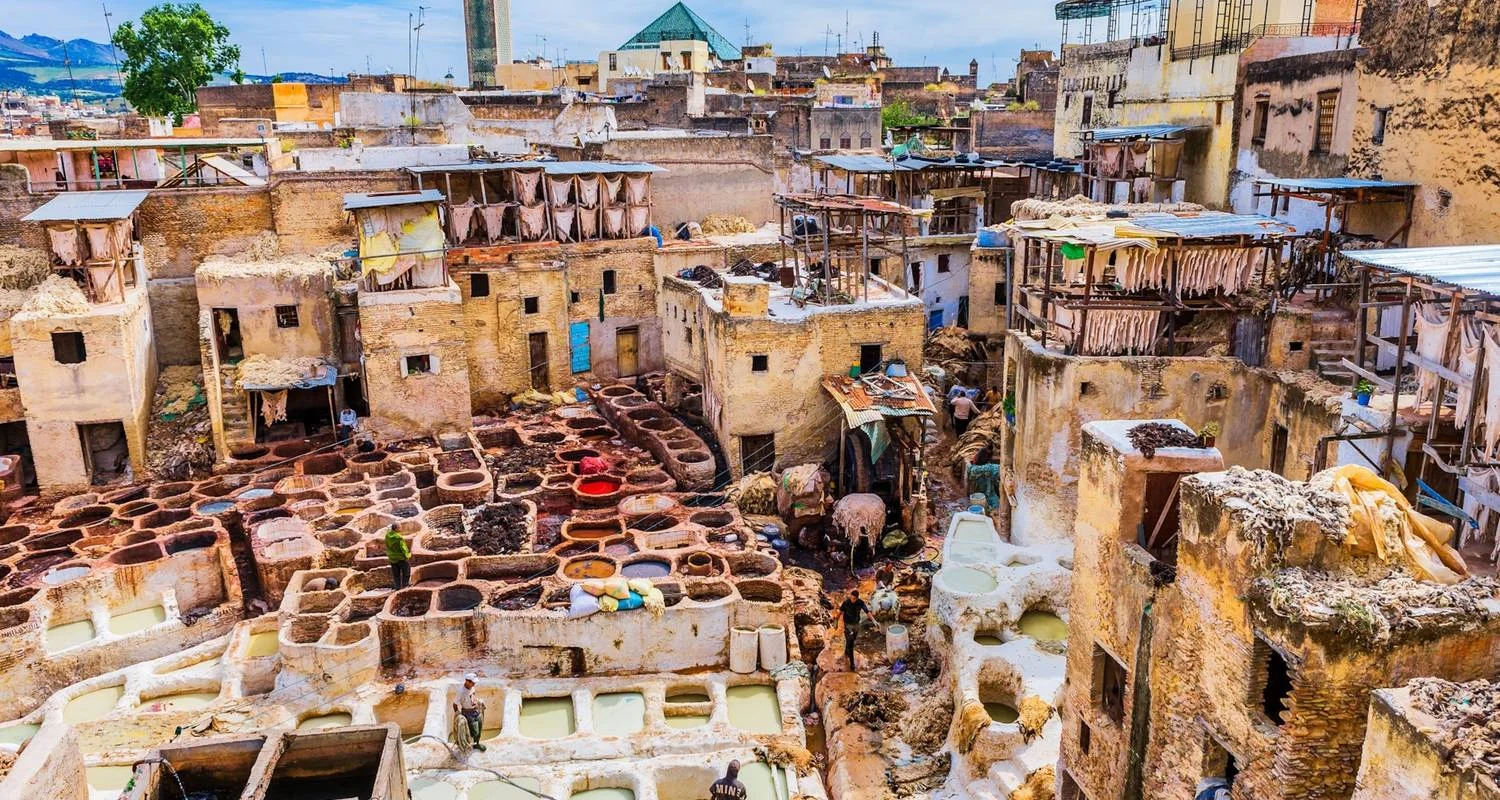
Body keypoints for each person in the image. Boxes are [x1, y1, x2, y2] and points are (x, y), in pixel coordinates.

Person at [839, 590, 872, 671]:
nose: (852, 600)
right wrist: (836, 621)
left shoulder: (860, 602)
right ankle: (852, 663)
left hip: (856, 624)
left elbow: (867, 612)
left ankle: (846, 650)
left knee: (853, 639)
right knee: (851, 642)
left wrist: (874, 621)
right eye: (851, 598)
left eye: (854, 599)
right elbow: (840, 612)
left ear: (857, 598)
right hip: (848, 625)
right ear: (850, 596)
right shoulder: (846, 603)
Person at [453, 673, 487, 751]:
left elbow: (473, 695)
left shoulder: (472, 687)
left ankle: (477, 744)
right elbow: (455, 704)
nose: (474, 684)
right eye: (473, 682)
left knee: (479, 727)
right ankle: (470, 744)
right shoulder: (461, 692)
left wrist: (476, 701)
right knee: (474, 731)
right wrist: (458, 715)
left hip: (476, 711)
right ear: (467, 681)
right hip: (468, 714)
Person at [967, 446, 1001, 511]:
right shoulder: (982, 453)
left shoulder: (989, 454)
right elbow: (978, 462)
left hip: (982, 492)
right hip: (987, 493)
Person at [385, 525, 411, 590]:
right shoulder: (399, 538)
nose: (401, 528)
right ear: (396, 529)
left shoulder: (387, 535)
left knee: (396, 574)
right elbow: (403, 548)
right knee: (406, 571)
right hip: (400, 558)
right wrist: (407, 556)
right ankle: (405, 586)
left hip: (392, 558)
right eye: (400, 527)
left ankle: (398, 587)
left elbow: (387, 545)